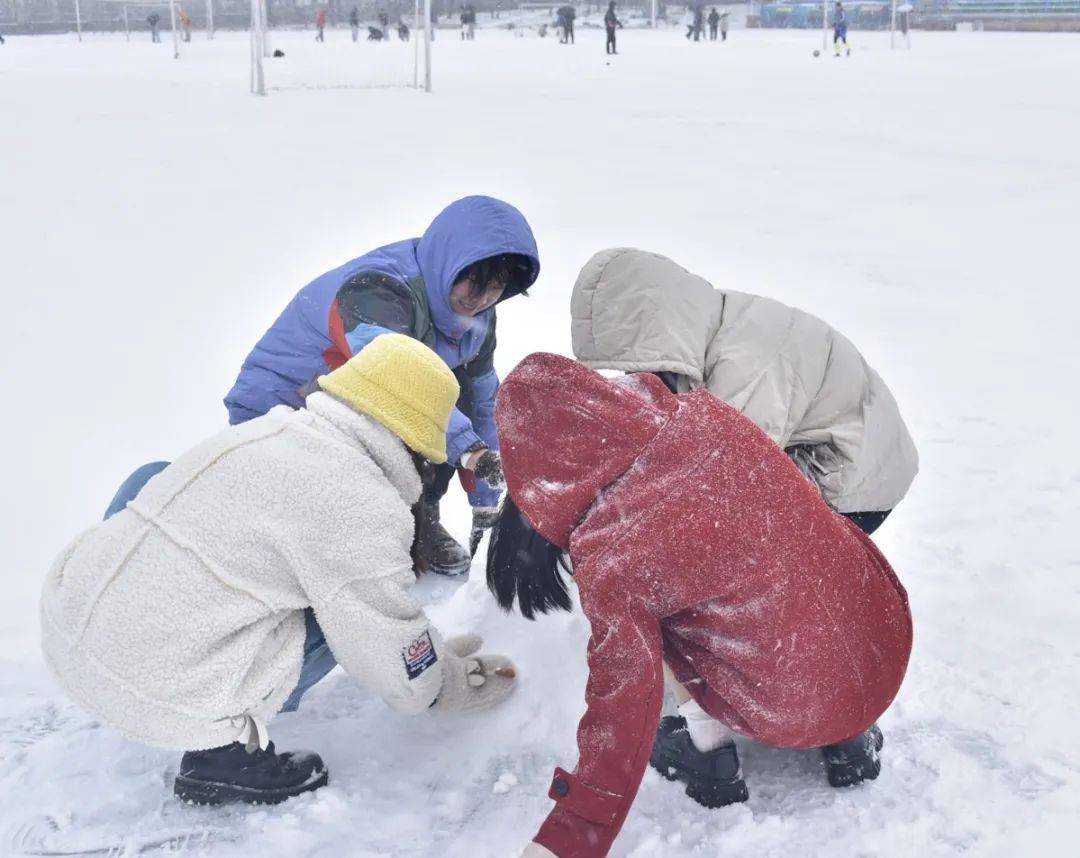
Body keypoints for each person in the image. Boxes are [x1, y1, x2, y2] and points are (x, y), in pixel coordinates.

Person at [41, 335, 518, 807]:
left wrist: (422, 655)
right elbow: (382, 640)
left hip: (70, 630)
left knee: (156, 479)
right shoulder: (356, 502)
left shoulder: (273, 432)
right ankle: (221, 753)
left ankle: (130, 651)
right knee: (339, 613)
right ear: (419, 435)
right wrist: (439, 681)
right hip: (150, 693)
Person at [489, 354, 913, 858]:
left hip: (797, 709)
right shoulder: (709, 416)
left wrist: (569, 837)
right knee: (788, 542)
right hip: (884, 645)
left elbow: (624, 702)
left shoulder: (611, 550)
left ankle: (708, 752)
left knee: (652, 624)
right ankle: (850, 733)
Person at [223, 196, 540, 576]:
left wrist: (486, 500)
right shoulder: (375, 290)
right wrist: (469, 451)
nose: (482, 300)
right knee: (336, 515)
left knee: (457, 391)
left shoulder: (476, 320)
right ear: (450, 261)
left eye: (496, 287)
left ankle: (419, 521)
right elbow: (395, 376)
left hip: (353, 401)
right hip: (284, 406)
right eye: (475, 283)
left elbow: (483, 401)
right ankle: (336, 546)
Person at [570, 248, 918, 533]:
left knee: (727, 532)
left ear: (650, 327)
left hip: (852, 477)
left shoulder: (746, 366)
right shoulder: (705, 327)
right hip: (819, 445)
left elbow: (723, 476)